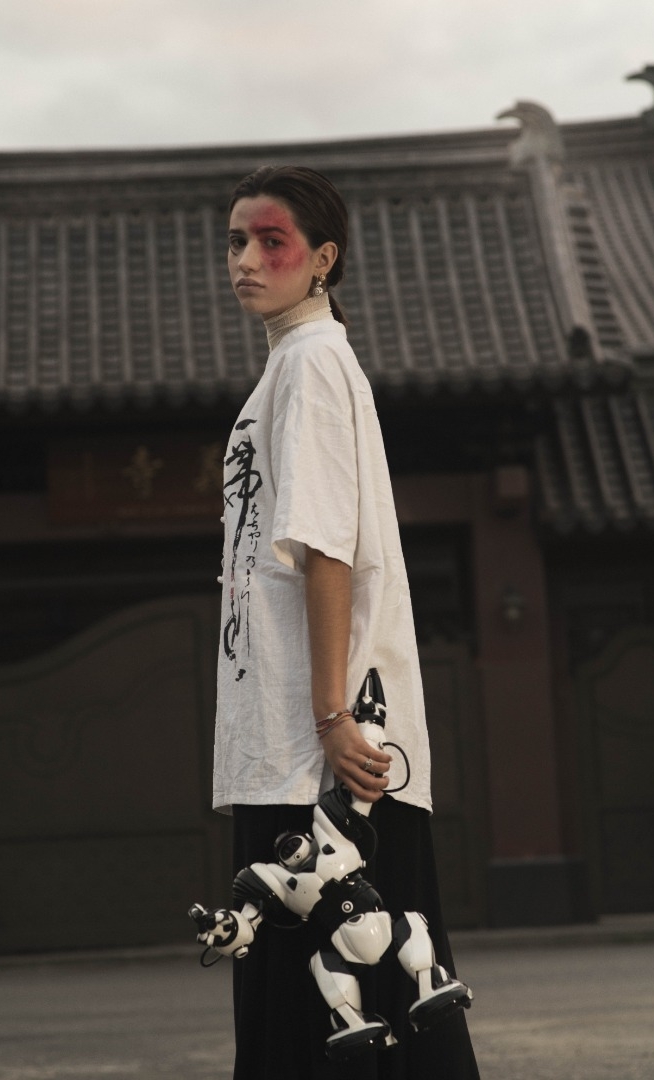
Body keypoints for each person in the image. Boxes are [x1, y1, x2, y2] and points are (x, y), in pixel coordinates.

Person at [213, 164, 480, 1080]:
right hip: (299, 741)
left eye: (271, 242)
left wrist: (331, 717)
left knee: (351, 1008)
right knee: (348, 1006)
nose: (246, 260)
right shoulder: (293, 363)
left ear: (323, 258)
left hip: (322, 758)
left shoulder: (314, 362)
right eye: (237, 241)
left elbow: (325, 547)